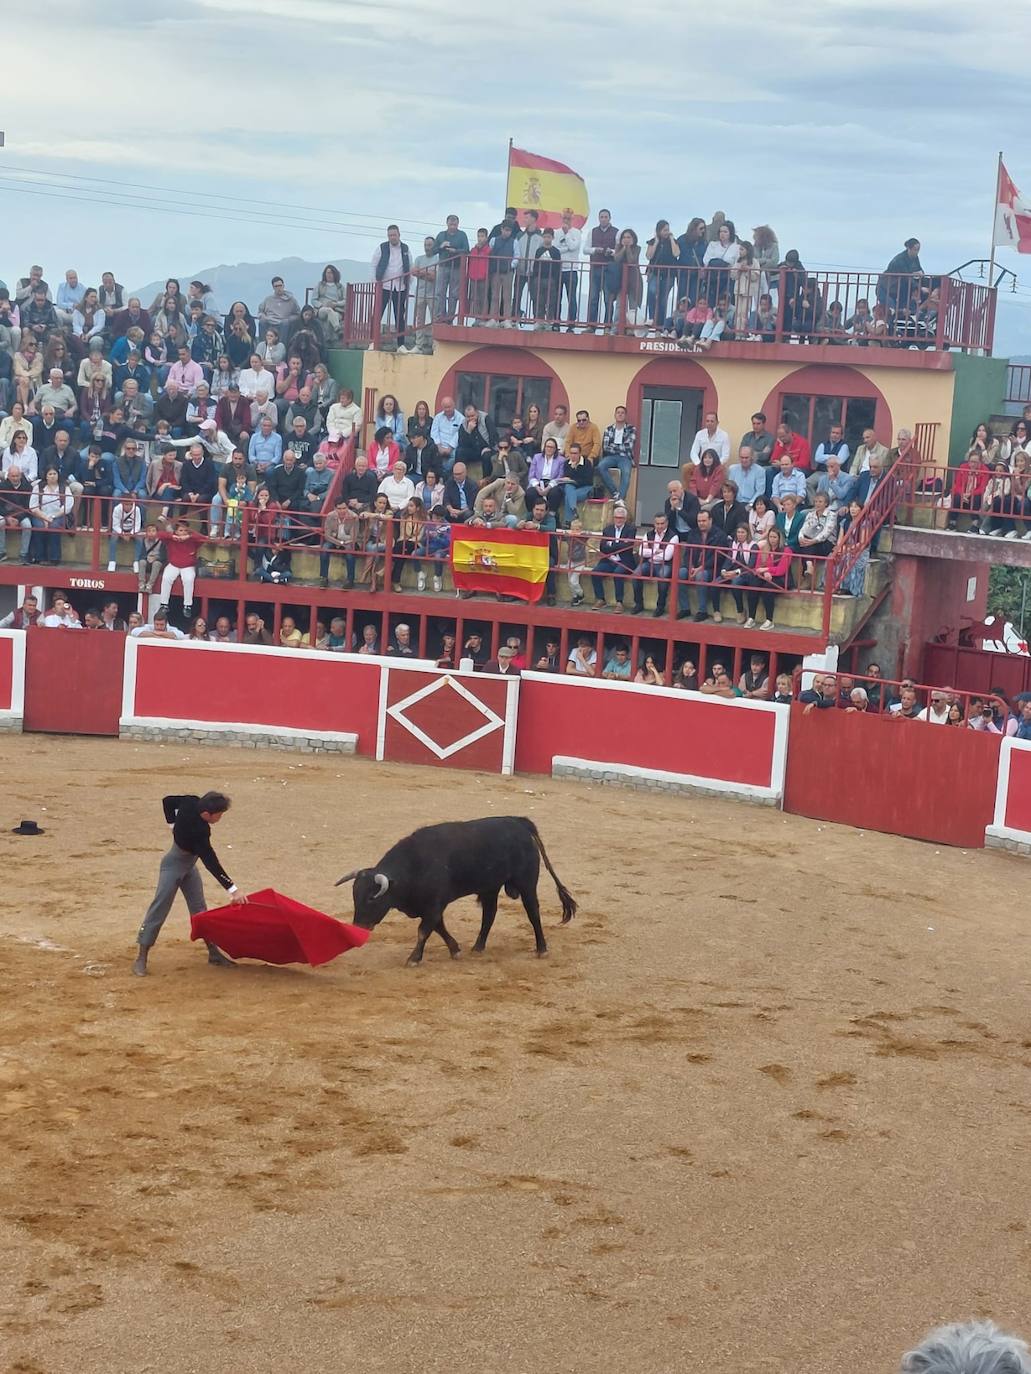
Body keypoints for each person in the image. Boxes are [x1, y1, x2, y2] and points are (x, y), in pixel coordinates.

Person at [132, 792, 246, 977]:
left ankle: (213, 953)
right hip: (173, 866)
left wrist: (172, 825)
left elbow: (167, 801)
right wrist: (232, 889)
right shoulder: (200, 831)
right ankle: (141, 957)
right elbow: (210, 862)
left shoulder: (192, 802)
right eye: (219, 814)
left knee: (200, 909)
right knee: (160, 907)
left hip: (189, 867)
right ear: (208, 814)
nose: (220, 818)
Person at [591, 502, 637, 611]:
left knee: (618, 573)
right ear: (613, 518)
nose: (619, 520)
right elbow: (603, 547)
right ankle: (601, 599)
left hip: (624, 561)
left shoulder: (631, 529)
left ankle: (619, 602)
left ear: (625, 518)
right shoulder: (608, 529)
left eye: (621, 518)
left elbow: (628, 547)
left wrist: (611, 544)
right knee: (595, 572)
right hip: (609, 561)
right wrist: (619, 544)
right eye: (616, 517)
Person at [632, 512, 678, 616]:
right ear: (654, 524)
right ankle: (638, 604)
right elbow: (641, 552)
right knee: (635, 574)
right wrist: (655, 552)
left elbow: (667, 556)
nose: (660, 526)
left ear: (667, 523)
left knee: (663, 577)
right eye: (657, 523)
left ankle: (660, 606)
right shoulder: (648, 534)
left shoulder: (673, 536)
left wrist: (650, 552)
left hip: (665, 565)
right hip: (649, 563)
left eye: (662, 523)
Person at [157, 519, 205, 618]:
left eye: (185, 530)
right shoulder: (171, 539)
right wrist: (172, 536)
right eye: (181, 530)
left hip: (188, 566)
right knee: (166, 578)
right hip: (173, 565)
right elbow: (160, 534)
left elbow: (203, 538)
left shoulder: (192, 540)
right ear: (176, 531)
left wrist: (189, 536)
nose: (183, 533)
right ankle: (164, 605)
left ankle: (187, 605)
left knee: (188, 580)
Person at [597, 406, 637, 501]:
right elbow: (605, 447)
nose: (620, 414)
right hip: (610, 457)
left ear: (625, 415)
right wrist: (620, 447)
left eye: (622, 413)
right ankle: (615, 493)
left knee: (626, 473)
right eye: (618, 412)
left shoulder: (631, 429)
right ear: (615, 415)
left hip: (625, 458)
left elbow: (629, 446)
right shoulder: (609, 429)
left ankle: (621, 498)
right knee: (600, 466)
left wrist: (613, 446)